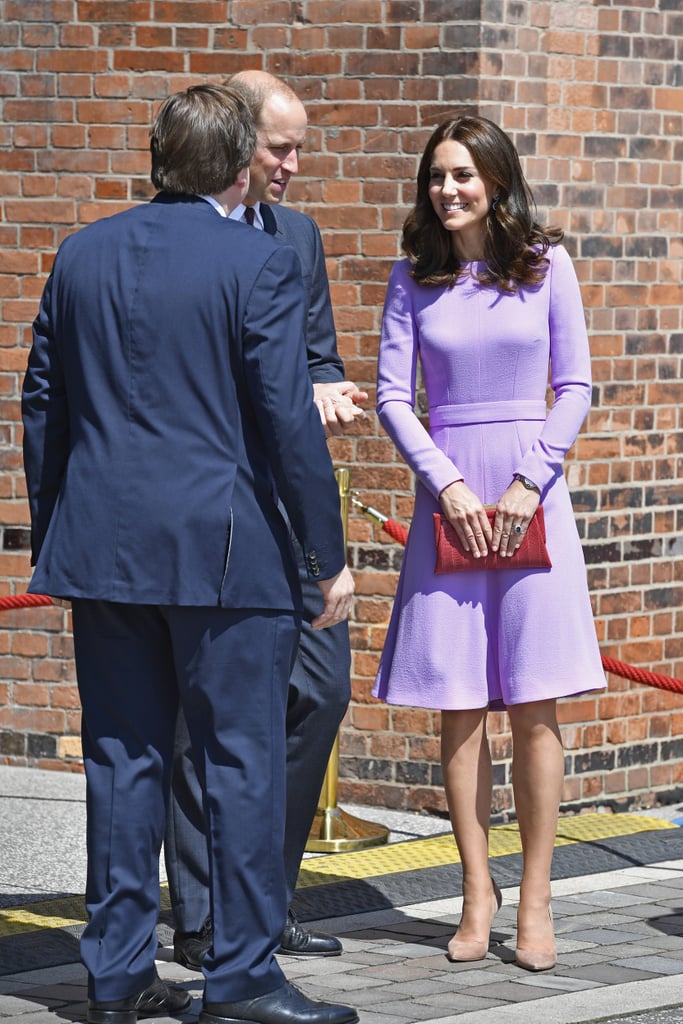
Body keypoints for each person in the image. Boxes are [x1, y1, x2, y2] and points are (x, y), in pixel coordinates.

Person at [22, 84, 358, 1024]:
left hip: (102, 548)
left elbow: (42, 400)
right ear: (240, 159)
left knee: (121, 761)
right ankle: (243, 975)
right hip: (225, 555)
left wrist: (57, 523)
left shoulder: (80, 251)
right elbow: (288, 421)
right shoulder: (255, 261)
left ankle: (118, 972)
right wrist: (323, 557)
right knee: (240, 762)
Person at [372, 114, 605, 973]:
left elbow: (574, 385)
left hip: (530, 499)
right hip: (451, 503)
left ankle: (536, 897)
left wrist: (524, 482)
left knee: (535, 706)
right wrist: (452, 485)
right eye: (437, 175)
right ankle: (477, 890)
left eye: (464, 174)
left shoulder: (547, 268)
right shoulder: (411, 278)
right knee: (459, 708)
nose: (448, 189)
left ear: (497, 182)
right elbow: (394, 398)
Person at [165, 70, 366, 971]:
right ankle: (205, 919)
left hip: (288, 520)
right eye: (279, 148)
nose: (292, 166)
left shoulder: (298, 238)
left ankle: (264, 905)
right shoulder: (166, 235)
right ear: (236, 144)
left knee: (318, 693)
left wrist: (325, 388)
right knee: (198, 724)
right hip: (209, 521)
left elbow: (314, 355)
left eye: (298, 150)